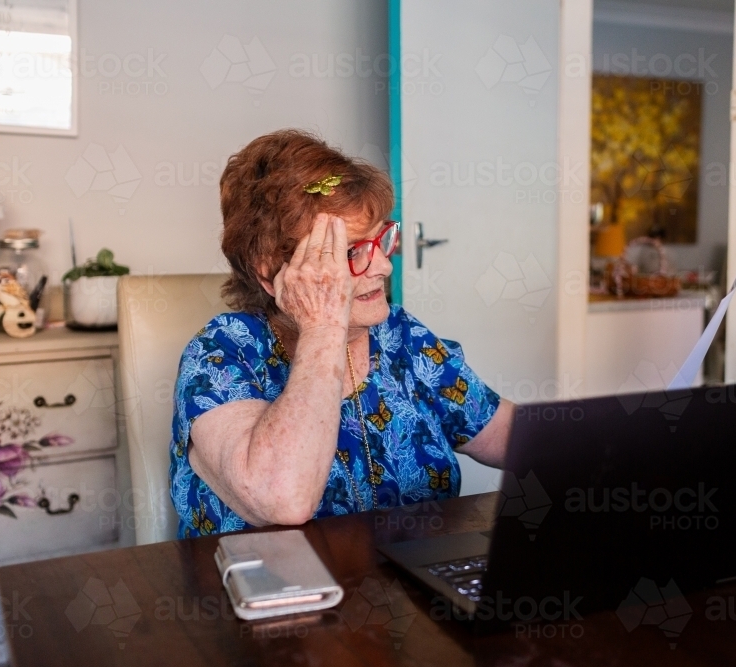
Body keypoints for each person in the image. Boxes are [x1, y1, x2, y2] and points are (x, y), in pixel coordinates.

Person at [169, 129, 514, 537]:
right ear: (268, 271)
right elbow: (284, 498)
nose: (383, 267)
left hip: (409, 592)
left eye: (381, 241)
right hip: (277, 597)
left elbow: (507, 435)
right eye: (351, 252)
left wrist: (600, 439)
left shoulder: (400, 335)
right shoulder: (221, 354)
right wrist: (321, 324)